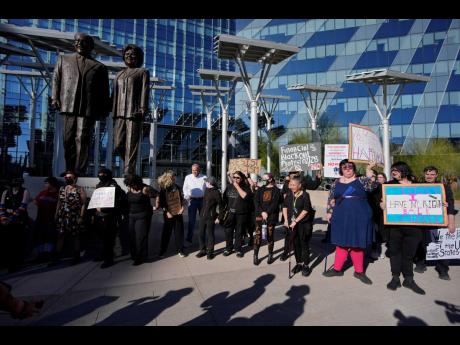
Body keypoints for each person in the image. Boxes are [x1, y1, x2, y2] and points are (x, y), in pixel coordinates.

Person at [51, 32, 110, 176]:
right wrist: (55, 98)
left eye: (83, 42)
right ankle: (70, 169)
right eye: (76, 41)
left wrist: (104, 109)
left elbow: (104, 91)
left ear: (90, 46)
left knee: (83, 139)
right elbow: (56, 80)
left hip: (88, 108)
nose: (79, 44)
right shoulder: (64, 59)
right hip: (68, 104)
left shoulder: (99, 67)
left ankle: (80, 171)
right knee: (67, 139)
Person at [323, 160, 377, 285]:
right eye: (344, 167)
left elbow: (372, 187)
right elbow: (331, 198)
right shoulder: (336, 182)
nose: (347, 169)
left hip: (359, 215)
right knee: (341, 242)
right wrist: (329, 211)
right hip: (340, 215)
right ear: (341, 169)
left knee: (356, 243)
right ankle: (337, 269)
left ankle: (359, 271)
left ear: (354, 168)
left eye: (350, 166)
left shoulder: (362, 180)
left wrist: (369, 171)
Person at [382, 161, 426, 294]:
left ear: (404, 170)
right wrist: (382, 205)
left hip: (414, 227)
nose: (393, 172)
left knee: (409, 254)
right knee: (395, 252)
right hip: (395, 226)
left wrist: (441, 204)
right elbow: (381, 201)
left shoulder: (418, 186)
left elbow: (428, 201)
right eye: (392, 170)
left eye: (396, 170)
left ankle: (409, 279)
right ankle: (395, 278)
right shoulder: (389, 185)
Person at [413, 165, 457, 280]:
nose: (429, 176)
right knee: (420, 243)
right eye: (427, 174)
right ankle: (420, 263)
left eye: (432, 174)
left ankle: (442, 269)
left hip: (439, 222)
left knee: (440, 244)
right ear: (424, 174)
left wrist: (451, 222)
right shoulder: (418, 186)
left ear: (436, 175)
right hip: (421, 221)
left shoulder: (444, 187)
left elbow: (451, 205)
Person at [112, 44, 150, 175]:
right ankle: (130, 167)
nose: (129, 56)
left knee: (131, 144)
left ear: (139, 57)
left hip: (134, 113)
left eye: (133, 54)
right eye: (127, 54)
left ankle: (128, 172)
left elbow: (145, 91)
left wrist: (143, 109)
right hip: (119, 113)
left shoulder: (142, 72)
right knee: (118, 144)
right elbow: (114, 94)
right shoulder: (119, 74)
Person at [50, 171, 87, 266]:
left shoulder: (80, 189)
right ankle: (56, 258)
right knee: (60, 235)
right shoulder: (62, 188)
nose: (67, 179)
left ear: (75, 178)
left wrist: (81, 216)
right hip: (63, 215)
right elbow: (59, 201)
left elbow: (83, 204)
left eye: (69, 177)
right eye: (66, 177)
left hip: (75, 215)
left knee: (75, 236)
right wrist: (56, 213)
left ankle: (76, 256)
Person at [92, 168, 127, 269]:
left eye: (103, 174)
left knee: (109, 239)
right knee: (101, 238)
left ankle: (109, 259)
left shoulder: (113, 185)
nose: (100, 175)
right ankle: (103, 255)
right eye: (99, 173)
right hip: (99, 215)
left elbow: (114, 201)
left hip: (110, 216)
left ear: (108, 175)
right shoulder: (99, 185)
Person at [281, 176, 314, 277]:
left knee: (304, 244)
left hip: (303, 224)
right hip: (292, 224)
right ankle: (299, 263)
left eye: (293, 185)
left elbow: (305, 210)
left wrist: (296, 221)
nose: (291, 187)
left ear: (299, 185)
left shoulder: (305, 195)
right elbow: (284, 207)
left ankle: (306, 265)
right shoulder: (289, 195)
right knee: (295, 245)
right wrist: (286, 220)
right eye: (290, 185)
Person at [124, 174, 157, 265]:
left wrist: (156, 206)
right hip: (131, 215)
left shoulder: (145, 188)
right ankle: (134, 255)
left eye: (133, 184)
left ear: (138, 182)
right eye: (130, 185)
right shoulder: (130, 188)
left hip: (142, 215)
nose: (132, 186)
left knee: (140, 237)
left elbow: (157, 195)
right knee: (131, 237)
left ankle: (141, 257)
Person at [0, 178, 30, 273]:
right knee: (7, 242)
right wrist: (3, 218)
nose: (15, 186)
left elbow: (22, 207)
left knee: (17, 242)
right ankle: (6, 262)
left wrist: (11, 218)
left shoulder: (25, 192)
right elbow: (2, 206)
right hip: (7, 220)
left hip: (19, 220)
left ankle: (15, 264)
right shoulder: (6, 192)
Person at [253, 173, 282, 266]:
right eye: (263, 178)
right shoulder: (260, 189)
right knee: (258, 235)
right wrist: (262, 212)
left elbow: (275, 204)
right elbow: (256, 202)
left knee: (269, 235)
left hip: (271, 217)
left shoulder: (276, 190)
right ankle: (255, 255)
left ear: (270, 179)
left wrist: (267, 213)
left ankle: (270, 254)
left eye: (266, 178)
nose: (263, 179)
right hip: (259, 216)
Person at [222, 171, 253, 257]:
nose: (235, 179)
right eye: (234, 177)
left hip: (241, 214)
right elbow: (224, 199)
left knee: (239, 232)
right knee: (228, 232)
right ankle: (228, 248)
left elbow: (245, 196)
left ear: (242, 178)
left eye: (237, 177)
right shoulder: (229, 186)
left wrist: (237, 186)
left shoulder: (245, 187)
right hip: (230, 213)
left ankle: (238, 249)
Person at [158, 170, 186, 258]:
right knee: (166, 233)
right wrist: (166, 212)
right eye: (173, 176)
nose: (174, 178)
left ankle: (180, 250)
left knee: (179, 233)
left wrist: (182, 208)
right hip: (168, 214)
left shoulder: (177, 187)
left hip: (178, 213)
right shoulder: (163, 189)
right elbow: (161, 203)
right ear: (169, 177)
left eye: (174, 176)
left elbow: (182, 200)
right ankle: (163, 250)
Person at [33, 176, 60, 263]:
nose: (45, 185)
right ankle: (40, 255)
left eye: (46, 183)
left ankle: (49, 255)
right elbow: (35, 202)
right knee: (40, 237)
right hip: (40, 219)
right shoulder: (42, 193)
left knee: (50, 238)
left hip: (50, 220)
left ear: (52, 184)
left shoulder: (57, 194)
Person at [196, 176, 222, 260]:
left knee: (210, 235)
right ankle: (202, 250)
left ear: (210, 183)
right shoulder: (206, 190)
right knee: (200, 233)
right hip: (203, 216)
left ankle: (210, 252)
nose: (205, 183)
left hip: (211, 217)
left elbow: (221, 205)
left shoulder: (216, 192)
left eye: (206, 182)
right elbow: (204, 203)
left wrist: (219, 217)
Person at [182, 164, 206, 246]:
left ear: (199, 170)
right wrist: (187, 198)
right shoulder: (188, 177)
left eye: (196, 170)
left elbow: (207, 189)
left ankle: (203, 239)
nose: (194, 172)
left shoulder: (204, 177)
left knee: (203, 220)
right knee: (191, 221)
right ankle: (189, 240)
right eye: (193, 170)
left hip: (202, 201)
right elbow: (185, 188)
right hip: (192, 201)